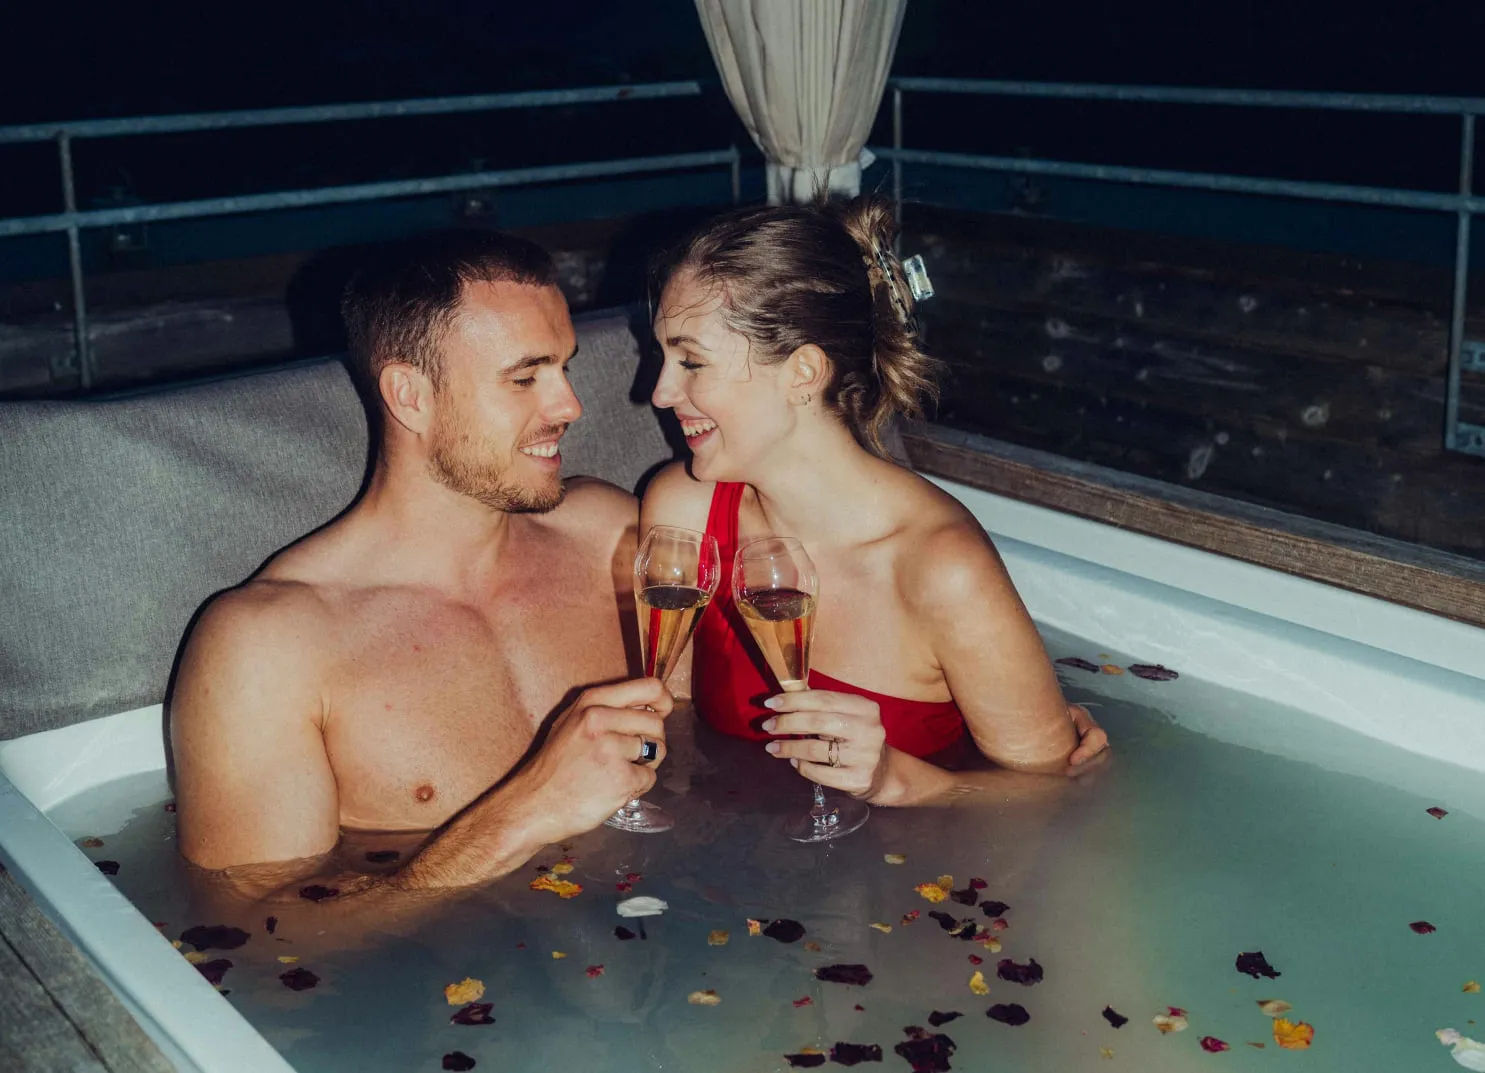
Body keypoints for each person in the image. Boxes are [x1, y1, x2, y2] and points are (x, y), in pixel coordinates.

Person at [170, 230, 671, 895]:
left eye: (564, 367)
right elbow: (258, 938)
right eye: (525, 377)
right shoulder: (267, 645)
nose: (568, 406)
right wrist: (519, 817)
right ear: (409, 395)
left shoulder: (604, 535)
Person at [642, 196, 1109, 807]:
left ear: (803, 372)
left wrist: (900, 780)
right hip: (731, 857)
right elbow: (672, 724)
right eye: (664, 358)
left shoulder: (942, 570)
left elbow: (1059, 796)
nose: (659, 391)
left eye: (691, 361)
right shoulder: (684, 512)